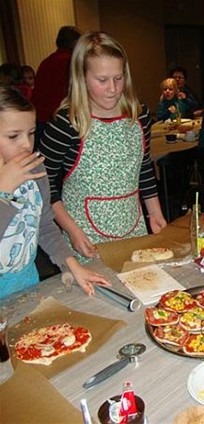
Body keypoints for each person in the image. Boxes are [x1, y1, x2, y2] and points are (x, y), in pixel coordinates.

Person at [38, 31, 167, 263]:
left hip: (133, 228)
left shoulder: (139, 115)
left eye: (119, 78)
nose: (113, 89)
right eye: (102, 80)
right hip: (85, 236)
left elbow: (144, 167)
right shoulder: (67, 123)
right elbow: (42, 182)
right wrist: (71, 230)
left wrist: (155, 213)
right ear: (82, 77)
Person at [0, 86, 110, 298]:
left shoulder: (36, 169)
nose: (26, 144)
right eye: (13, 136)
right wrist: (3, 192)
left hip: (26, 282)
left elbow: (44, 227)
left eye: (31, 133)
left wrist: (72, 265)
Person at [31, 26, 82, 140]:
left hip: (39, 116)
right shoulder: (69, 62)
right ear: (75, 42)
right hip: (56, 118)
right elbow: (74, 92)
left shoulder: (47, 60)